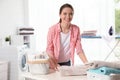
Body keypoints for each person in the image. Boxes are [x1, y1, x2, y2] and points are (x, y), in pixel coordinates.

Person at [46, 3, 88, 70]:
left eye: (70, 14)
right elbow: (49, 50)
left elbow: (79, 50)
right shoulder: (52, 30)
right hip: (53, 63)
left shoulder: (76, 29)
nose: (68, 17)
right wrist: (55, 64)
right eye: (65, 14)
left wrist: (87, 64)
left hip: (67, 63)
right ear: (60, 15)